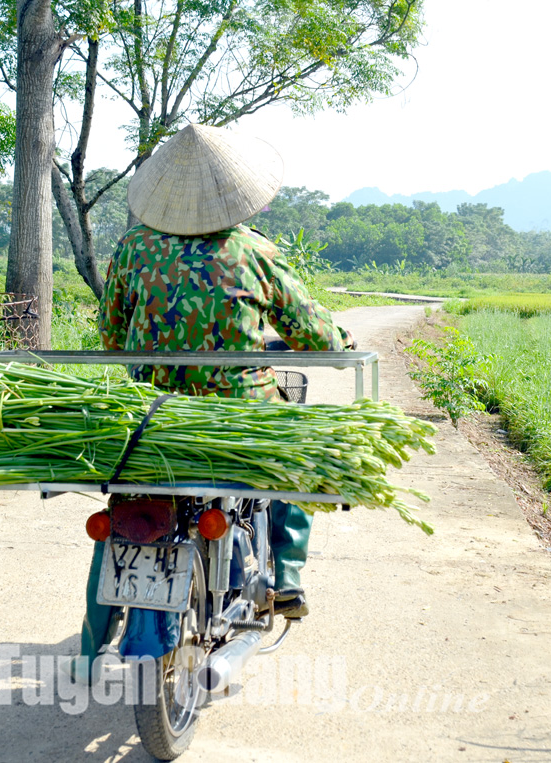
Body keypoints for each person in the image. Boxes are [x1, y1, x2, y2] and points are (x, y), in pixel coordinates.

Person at [81, 123, 353, 664]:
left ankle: (91, 643)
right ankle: (289, 577)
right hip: (240, 415)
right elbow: (314, 335)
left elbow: (111, 336)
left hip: (151, 416)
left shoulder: (134, 249)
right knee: (295, 462)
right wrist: (340, 338)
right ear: (234, 193)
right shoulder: (254, 251)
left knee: (126, 505)